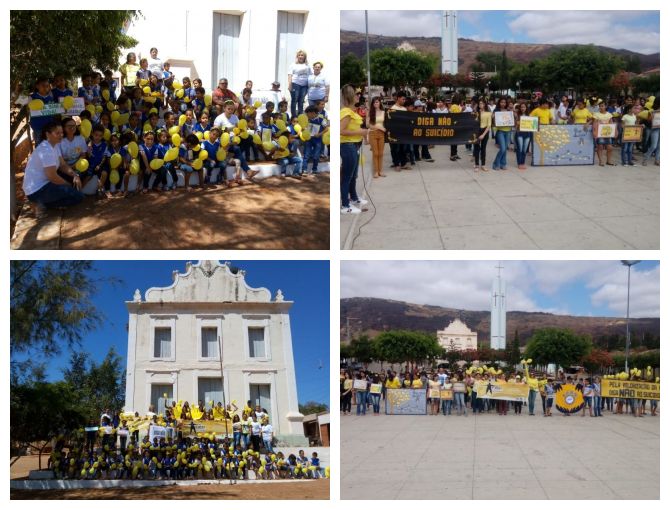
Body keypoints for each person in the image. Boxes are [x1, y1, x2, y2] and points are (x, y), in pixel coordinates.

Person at [23, 119, 84, 213]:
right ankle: (40, 203)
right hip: (37, 190)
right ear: (48, 134)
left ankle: (44, 203)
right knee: (78, 197)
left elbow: (63, 165)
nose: (61, 135)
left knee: (74, 187)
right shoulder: (46, 150)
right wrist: (67, 185)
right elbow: (52, 176)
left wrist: (75, 175)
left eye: (62, 133)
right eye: (57, 133)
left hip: (45, 184)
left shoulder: (54, 145)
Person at [340, 85, 368, 214]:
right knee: (347, 176)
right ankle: (345, 205)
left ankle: (353, 198)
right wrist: (361, 131)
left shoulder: (351, 112)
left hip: (354, 146)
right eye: (357, 94)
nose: (359, 96)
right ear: (350, 96)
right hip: (348, 146)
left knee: (353, 176)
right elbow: (341, 131)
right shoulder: (346, 112)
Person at [366, 97, 387, 178]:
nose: (376, 104)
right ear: (372, 104)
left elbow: (385, 123)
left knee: (381, 153)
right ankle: (376, 171)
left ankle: (381, 171)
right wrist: (379, 127)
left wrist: (383, 129)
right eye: (374, 102)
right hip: (372, 133)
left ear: (380, 103)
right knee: (375, 153)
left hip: (381, 134)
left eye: (377, 102)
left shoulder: (383, 112)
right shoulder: (370, 112)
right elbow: (368, 125)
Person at [288, 49, 311, 118]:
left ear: (305, 57)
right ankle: (294, 116)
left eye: (302, 55)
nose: (301, 56)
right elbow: (290, 75)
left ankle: (300, 116)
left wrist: (310, 86)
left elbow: (310, 75)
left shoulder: (307, 65)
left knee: (301, 101)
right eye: (299, 55)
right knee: (294, 100)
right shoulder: (293, 65)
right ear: (297, 56)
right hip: (295, 84)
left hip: (304, 85)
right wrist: (290, 85)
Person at [592, 101, 616, 166]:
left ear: (605, 106)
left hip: (608, 133)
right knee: (600, 147)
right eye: (600, 106)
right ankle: (601, 161)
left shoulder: (609, 114)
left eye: (602, 106)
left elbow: (612, 123)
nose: (601, 107)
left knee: (610, 147)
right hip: (600, 134)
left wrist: (615, 131)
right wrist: (594, 131)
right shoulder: (596, 114)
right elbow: (594, 123)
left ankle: (608, 161)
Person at [492, 97, 512, 170]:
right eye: (501, 102)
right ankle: (495, 164)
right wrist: (493, 116)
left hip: (508, 131)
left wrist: (513, 112)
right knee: (502, 148)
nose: (503, 104)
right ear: (499, 103)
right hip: (500, 131)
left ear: (506, 103)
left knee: (505, 148)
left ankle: (503, 164)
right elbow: (493, 121)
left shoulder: (509, 110)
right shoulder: (496, 111)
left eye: (504, 102)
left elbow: (514, 118)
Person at [473, 98, 491, 172]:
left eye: (482, 103)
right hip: (476, 131)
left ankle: (483, 165)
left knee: (483, 149)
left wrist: (483, 134)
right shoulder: (475, 113)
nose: (481, 105)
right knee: (476, 148)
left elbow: (489, 125)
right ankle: (477, 164)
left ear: (485, 104)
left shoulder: (488, 113)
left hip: (485, 131)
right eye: (480, 103)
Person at [642, 97, 660, 166]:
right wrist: (653, 115)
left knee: (659, 146)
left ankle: (657, 160)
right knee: (654, 146)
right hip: (655, 129)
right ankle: (645, 159)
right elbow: (648, 120)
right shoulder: (652, 110)